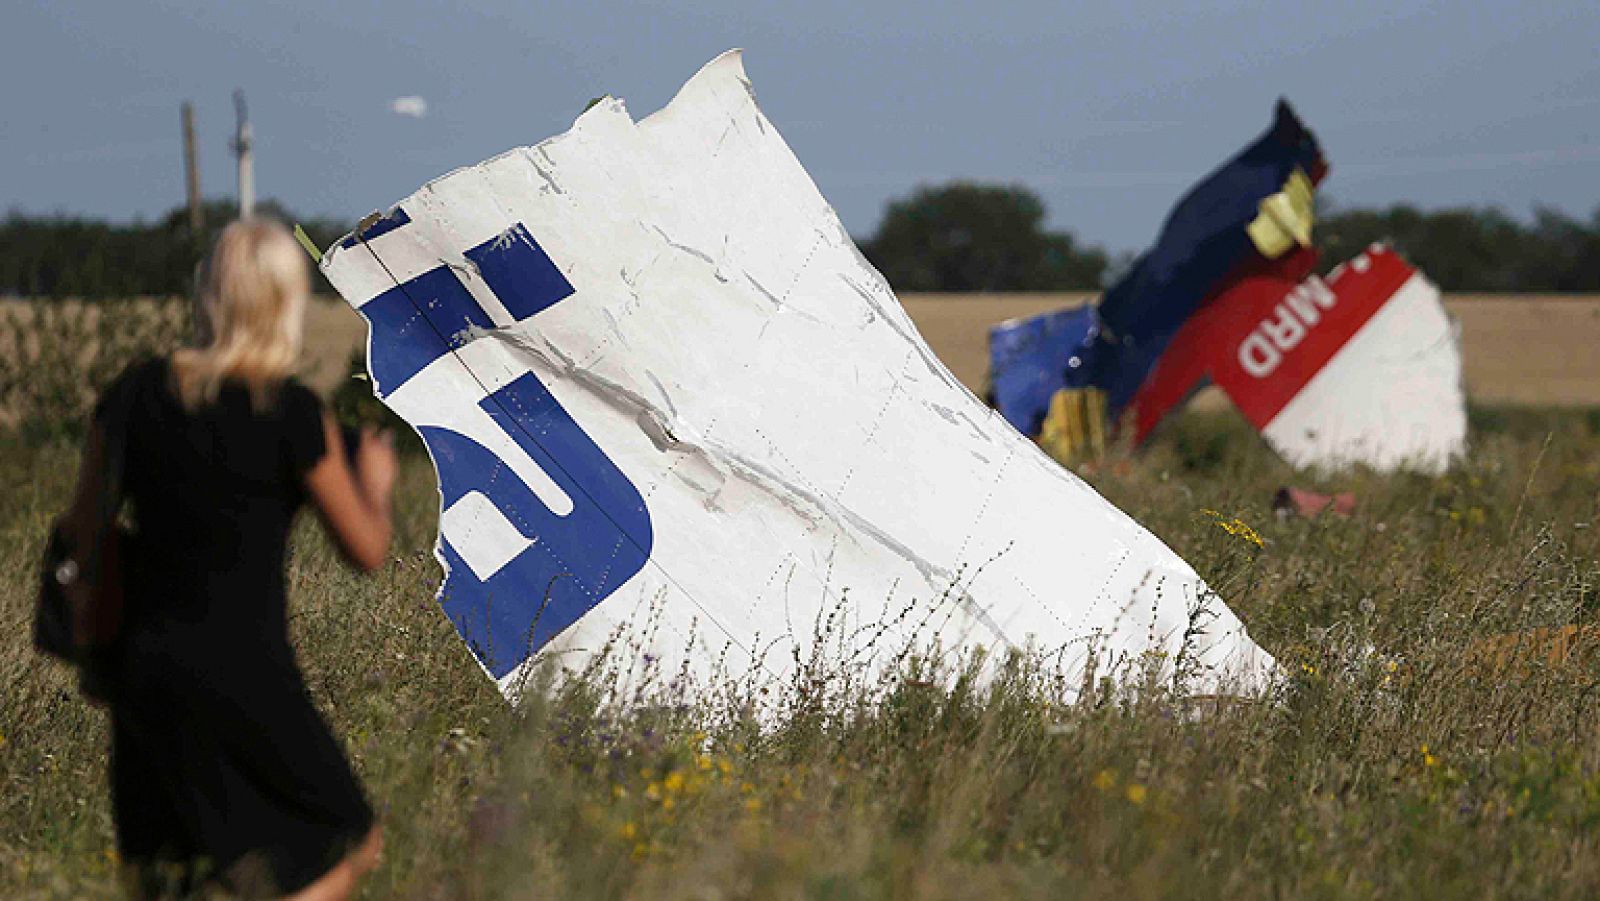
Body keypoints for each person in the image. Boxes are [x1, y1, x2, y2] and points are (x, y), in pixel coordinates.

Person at [59, 218, 394, 899]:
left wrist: (92, 646)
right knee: (351, 837)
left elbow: (81, 533)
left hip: (145, 672)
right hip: (248, 670)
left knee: (169, 878)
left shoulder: (135, 394)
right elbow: (365, 549)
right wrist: (377, 483)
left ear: (208, 293)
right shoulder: (291, 411)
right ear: (285, 303)